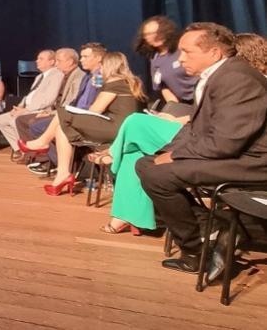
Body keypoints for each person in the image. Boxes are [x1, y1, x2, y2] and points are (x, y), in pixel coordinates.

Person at [101, 31, 267, 234]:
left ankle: (114, 162)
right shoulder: (223, 80)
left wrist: (177, 147)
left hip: (233, 153)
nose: (182, 59)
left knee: (136, 125)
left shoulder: (244, 83)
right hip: (208, 140)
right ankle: (133, 214)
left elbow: (228, 134)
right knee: (137, 156)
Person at [136, 23, 267, 279]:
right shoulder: (218, 75)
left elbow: (226, 141)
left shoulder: (236, 78)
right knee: (145, 165)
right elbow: (198, 131)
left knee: (158, 176)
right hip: (233, 155)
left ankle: (196, 251)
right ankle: (214, 224)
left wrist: (174, 157)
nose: (180, 58)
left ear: (215, 53)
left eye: (187, 52)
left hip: (253, 162)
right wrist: (166, 152)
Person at [42, 51, 145, 195]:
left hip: (116, 130)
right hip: (125, 128)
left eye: (102, 65)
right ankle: (62, 175)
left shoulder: (115, 83)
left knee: (63, 113)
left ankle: (43, 143)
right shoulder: (132, 82)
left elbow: (94, 111)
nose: (100, 69)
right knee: (62, 127)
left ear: (108, 66)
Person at [22, 43, 107, 175]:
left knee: (40, 125)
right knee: (40, 124)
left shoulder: (99, 77)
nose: (81, 59)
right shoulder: (89, 76)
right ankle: (63, 165)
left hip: (86, 118)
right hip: (75, 114)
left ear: (98, 58)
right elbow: (77, 101)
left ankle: (66, 166)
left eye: (85, 56)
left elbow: (90, 105)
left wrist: (66, 112)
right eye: (82, 56)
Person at [2, 48, 83, 160]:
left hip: (64, 115)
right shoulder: (61, 75)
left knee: (32, 122)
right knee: (18, 120)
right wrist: (21, 106)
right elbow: (31, 94)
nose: (56, 64)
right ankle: (32, 154)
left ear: (69, 62)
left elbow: (69, 104)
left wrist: (48, 112)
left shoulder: (77, 77)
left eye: (58, 61)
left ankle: (46, 159)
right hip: (56, 112)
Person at [0, 50, 63, 158]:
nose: (37, 61)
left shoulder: (57, 75)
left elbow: (49, 99)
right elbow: (30, 95)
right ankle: (19, 148)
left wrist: (27, 110)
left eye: (41, 59)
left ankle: (28, 152)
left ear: (52, 61)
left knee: (15, 120)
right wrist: (20, 106)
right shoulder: (40, 77)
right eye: (37, 58)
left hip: (41, 109)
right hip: (27, 108)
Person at [135, 16, 196, 109]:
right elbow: (162, 86)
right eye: (148, 34)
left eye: (157, 32)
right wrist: (176, 108)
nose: (154, 36)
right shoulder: (155, 59)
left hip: (203, 99)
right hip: (184, 104)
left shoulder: (182, 50)